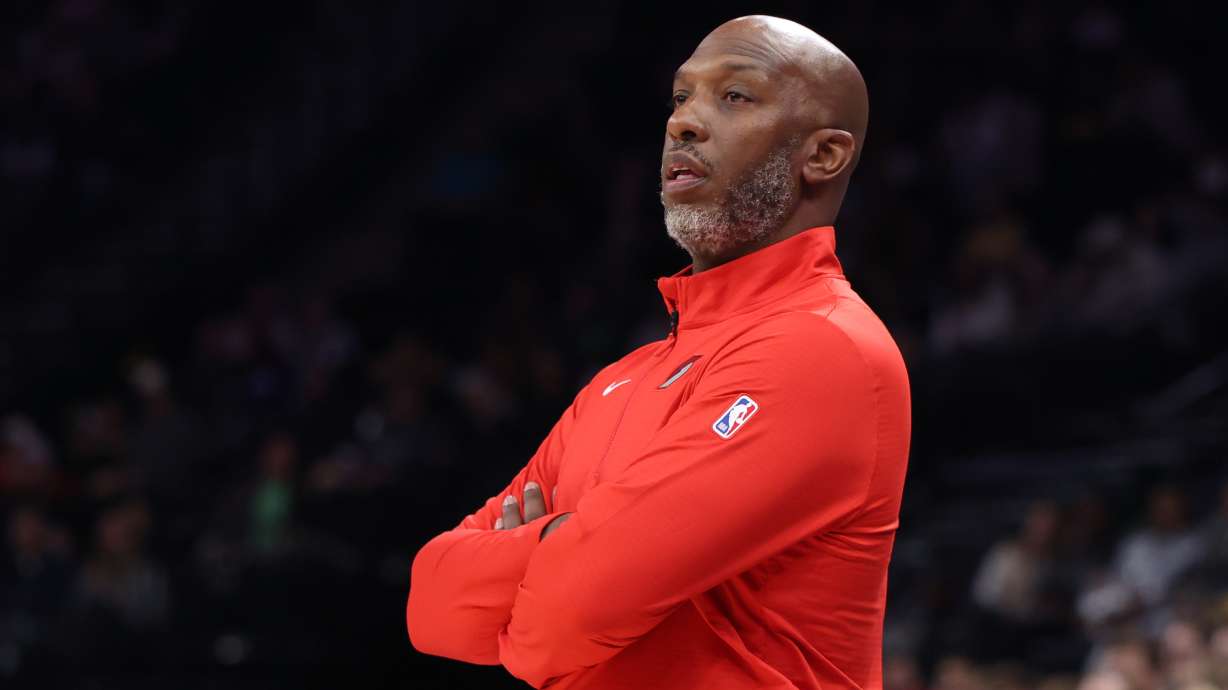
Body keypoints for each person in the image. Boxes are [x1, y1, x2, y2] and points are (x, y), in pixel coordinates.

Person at [407, 15, 910, 689]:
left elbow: (567, 618)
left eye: (735, 96)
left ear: (823, 156)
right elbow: (432, 605)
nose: (684, 123)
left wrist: (540, 557)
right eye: (681, 97)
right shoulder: (621, 380)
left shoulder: (825, 348)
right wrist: (566, 548)